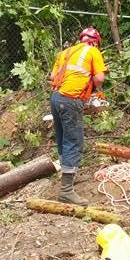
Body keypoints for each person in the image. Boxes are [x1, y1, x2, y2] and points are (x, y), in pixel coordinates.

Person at [49, 26, 108, 205]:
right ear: (95, 42)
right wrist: (89, 86)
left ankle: (67, 178)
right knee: (73, 142)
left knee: (62, 139)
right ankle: (66, 191)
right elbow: (99, 79)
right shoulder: (93, 52)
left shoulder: (65, 52)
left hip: (56, 98)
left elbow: (53, 77)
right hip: (71, 99)